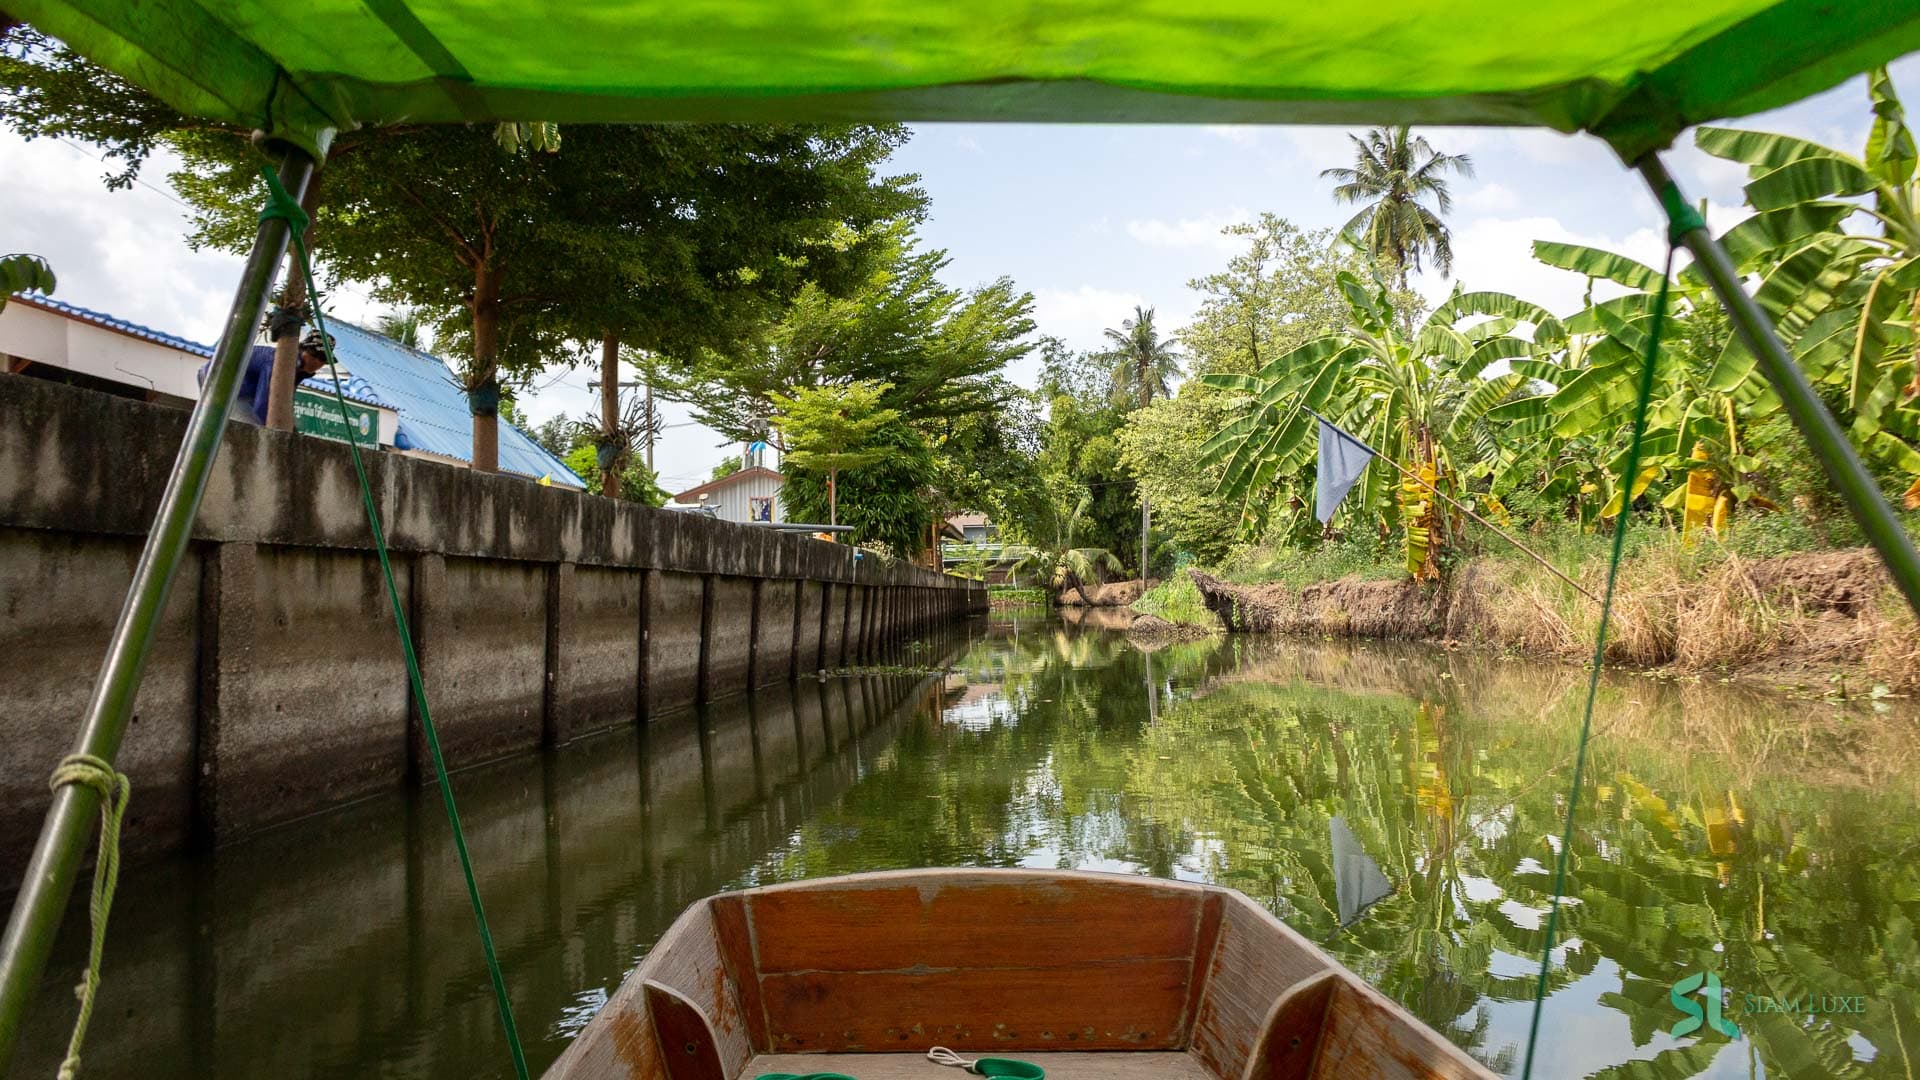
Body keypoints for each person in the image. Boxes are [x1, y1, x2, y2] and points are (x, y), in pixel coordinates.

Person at [195, 329, 335, 425]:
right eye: (314, 355)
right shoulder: (280, 362)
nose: (318, 362)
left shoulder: (298, 372)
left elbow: (284, 403)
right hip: (220, 377)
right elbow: (264, 402)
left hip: (240, 387)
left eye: (323, 359)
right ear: (302, 350)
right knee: (253, 427)